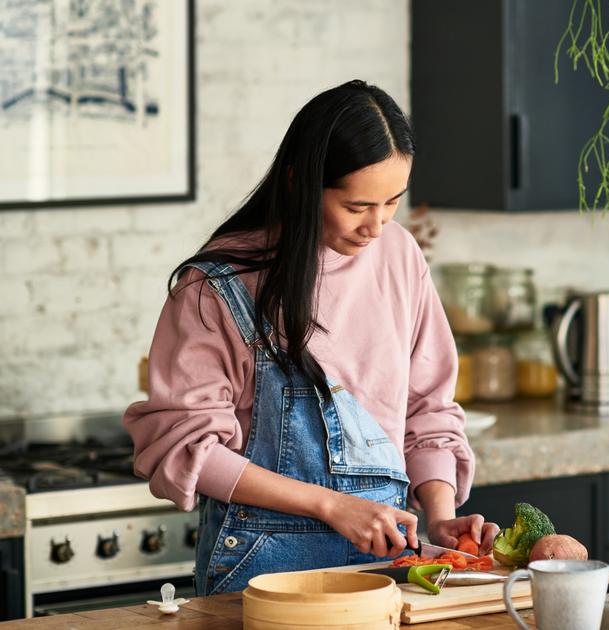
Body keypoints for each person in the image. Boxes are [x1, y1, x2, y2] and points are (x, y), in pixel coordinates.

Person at [123, 80, 498, 595]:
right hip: (265, 571)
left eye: (392, 202)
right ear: (301, 183)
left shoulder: (399, 256)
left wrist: (440, 515)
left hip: (388, 569)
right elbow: (188, 447)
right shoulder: (217, 284)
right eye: (357, 205)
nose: (377, 224)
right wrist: (331, 505)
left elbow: (427, 408)